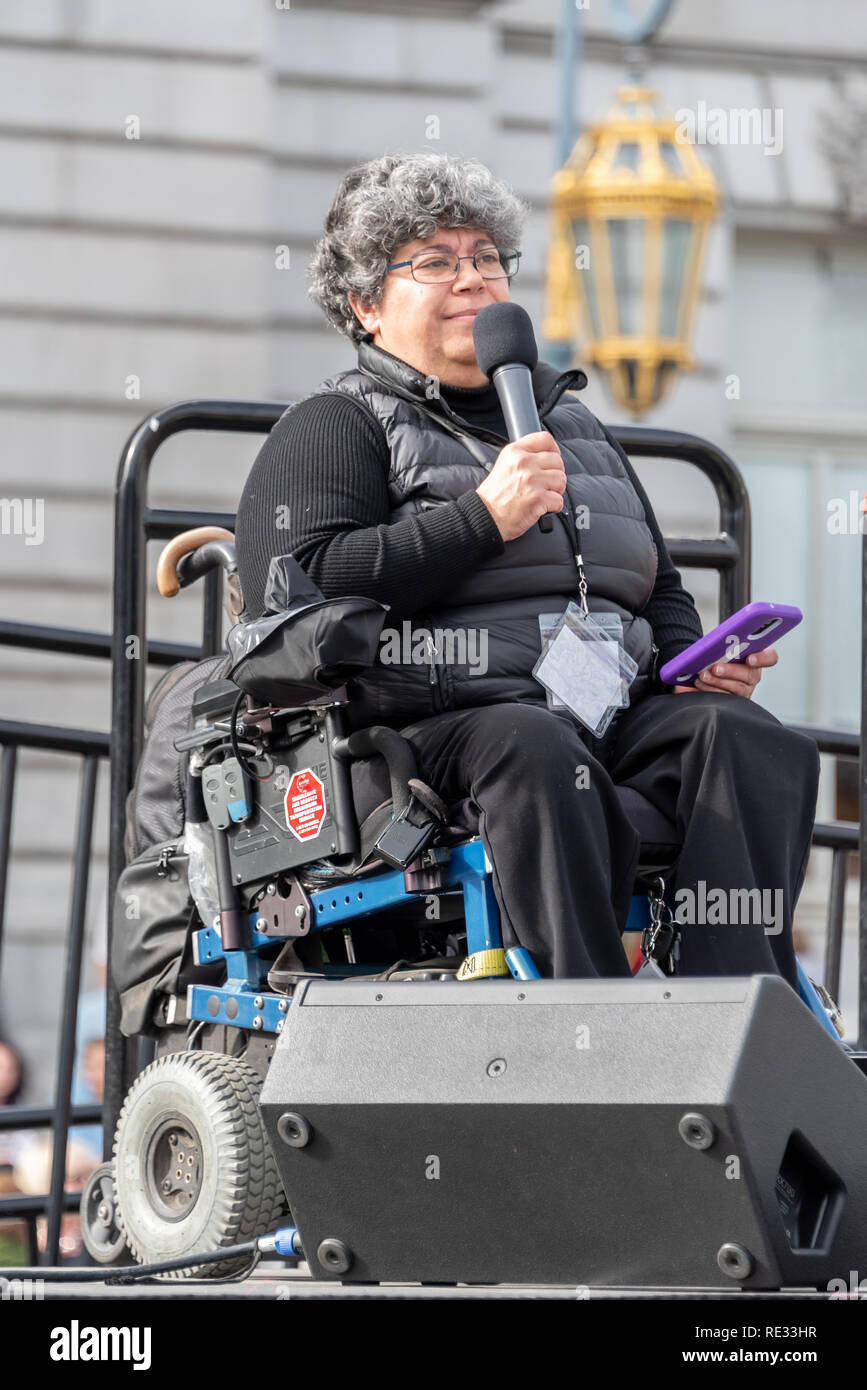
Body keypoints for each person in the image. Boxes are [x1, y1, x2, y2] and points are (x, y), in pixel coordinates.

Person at [234, 151, 820, 985]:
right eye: (434, 262)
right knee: (531, 744)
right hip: (432, 728)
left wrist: (693, 665)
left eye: (485, 259)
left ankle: (734, 1007)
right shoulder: (334, 423)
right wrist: (479, 519)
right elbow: (300, 586)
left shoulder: (571, 423)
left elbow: (651, 583)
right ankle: (586, 1020)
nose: (472, 280)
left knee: (749, 742)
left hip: (609, 710)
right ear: (366, 305)